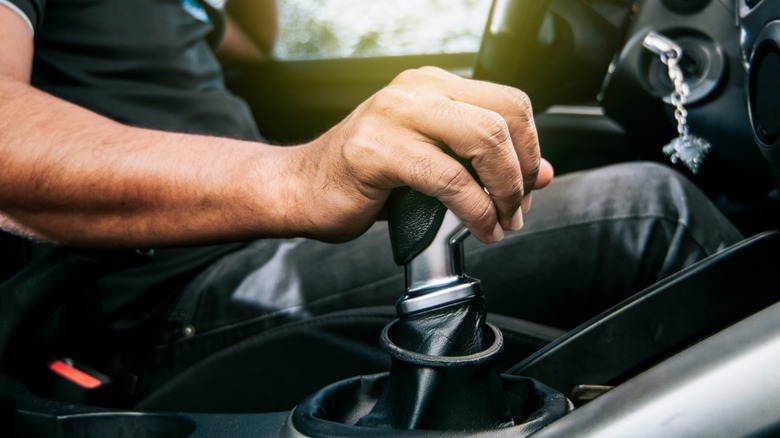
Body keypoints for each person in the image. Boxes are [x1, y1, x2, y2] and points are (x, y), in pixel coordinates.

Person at [0, 0, 742, 409]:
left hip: (248, 252)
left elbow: (258, 43)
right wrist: (296, 178)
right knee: (650, 212)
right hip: (165, 298)